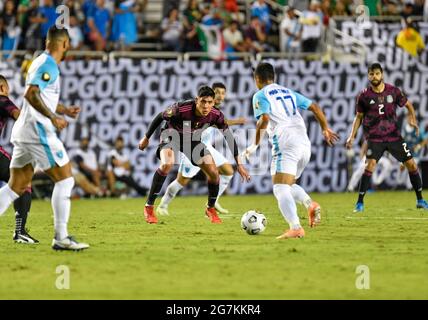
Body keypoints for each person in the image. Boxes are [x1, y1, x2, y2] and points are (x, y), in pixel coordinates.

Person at [0, 26, 89, 251]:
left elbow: (41, 95)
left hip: (23, 132)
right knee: (65, 179)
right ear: (65, 44)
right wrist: (54, 117)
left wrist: (63, 109)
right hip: (37, 131)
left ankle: (60, 237)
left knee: (15, 187)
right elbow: (30, 93)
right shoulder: (48, 64)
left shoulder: (40, 62)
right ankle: (61, 237)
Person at [243, 62, 339, 239]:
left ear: (257, 79)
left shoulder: (260, 95)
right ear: (274, 77)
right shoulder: (288, 92)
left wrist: (254, 145)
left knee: (280, 188)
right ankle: (309, 203)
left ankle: (295, 227)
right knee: (288, 185)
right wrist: (325, 128)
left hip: (285, 143)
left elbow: (263, 119)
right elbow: (315, 107)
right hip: (304, 143)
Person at [138, 85, 250, 224]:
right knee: (167, 163)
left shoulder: (216, 115)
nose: (206, 106)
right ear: (197, 100)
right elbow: (160, 116)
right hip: (171, 135)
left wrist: (239, 164)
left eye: (209, 102)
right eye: (203, 101)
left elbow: (228, 137)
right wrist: (146, 137)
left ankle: (210, 208)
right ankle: (149, 207)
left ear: (214, 102)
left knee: (214, 172)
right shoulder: (181, 108)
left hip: (191, 139)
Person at [346, 62, 428, 212]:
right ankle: (359, 203)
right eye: (371, 74)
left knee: (412, 165)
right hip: (374, 138)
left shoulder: (393, 91)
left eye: (377, 73)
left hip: (393, 136)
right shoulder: (364, 96)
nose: (374, 76)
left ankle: (420, 200)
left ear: (382, 74)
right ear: (368, 76)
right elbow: (358, 117)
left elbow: (409, 105)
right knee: (369, 166)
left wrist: (413, 119)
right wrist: (351, 136)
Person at [0, 75, 38, 244]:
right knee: (22, 181)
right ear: (2, 88)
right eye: (7, 89)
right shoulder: (2, 99)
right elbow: (18, 115)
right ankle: (20, 231)